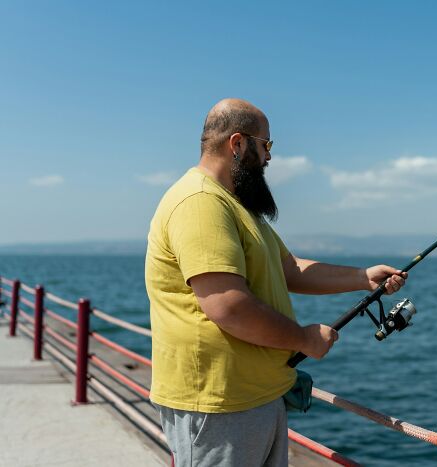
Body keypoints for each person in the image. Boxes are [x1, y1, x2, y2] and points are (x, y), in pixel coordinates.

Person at [145, 98, 408, 467]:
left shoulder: (237, 206)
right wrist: (303, 339)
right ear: (238, 143)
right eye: (266, 145)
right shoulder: (201, 202)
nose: (269, 157)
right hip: (219, 404)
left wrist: (362, 278)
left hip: (256, 397)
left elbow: (289, 269)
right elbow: (228, 306)